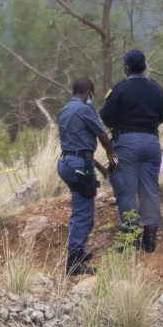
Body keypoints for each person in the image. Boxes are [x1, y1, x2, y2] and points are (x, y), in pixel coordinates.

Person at [100, 49, 163, 253]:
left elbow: (105, 116)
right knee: (150, 189)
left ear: (126, 69)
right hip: (151, 142)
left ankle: (129, 238)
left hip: (127, 143)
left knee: (126, 190)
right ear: (145, 67)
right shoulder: (157, 89)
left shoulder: (119, 89)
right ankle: (150, 239)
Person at [57, 77, 116, 275]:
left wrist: (98, 167)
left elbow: (77, 146)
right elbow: (103, 137)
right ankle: (73, 263)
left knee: (83, 207)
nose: (92, 97)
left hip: (67, 163)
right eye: (92, 94)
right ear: (88, 92)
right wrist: (110, 154)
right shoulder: (85, 110)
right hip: (79, 167)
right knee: (83, 213)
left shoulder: (64, 110)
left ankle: (79, 251)